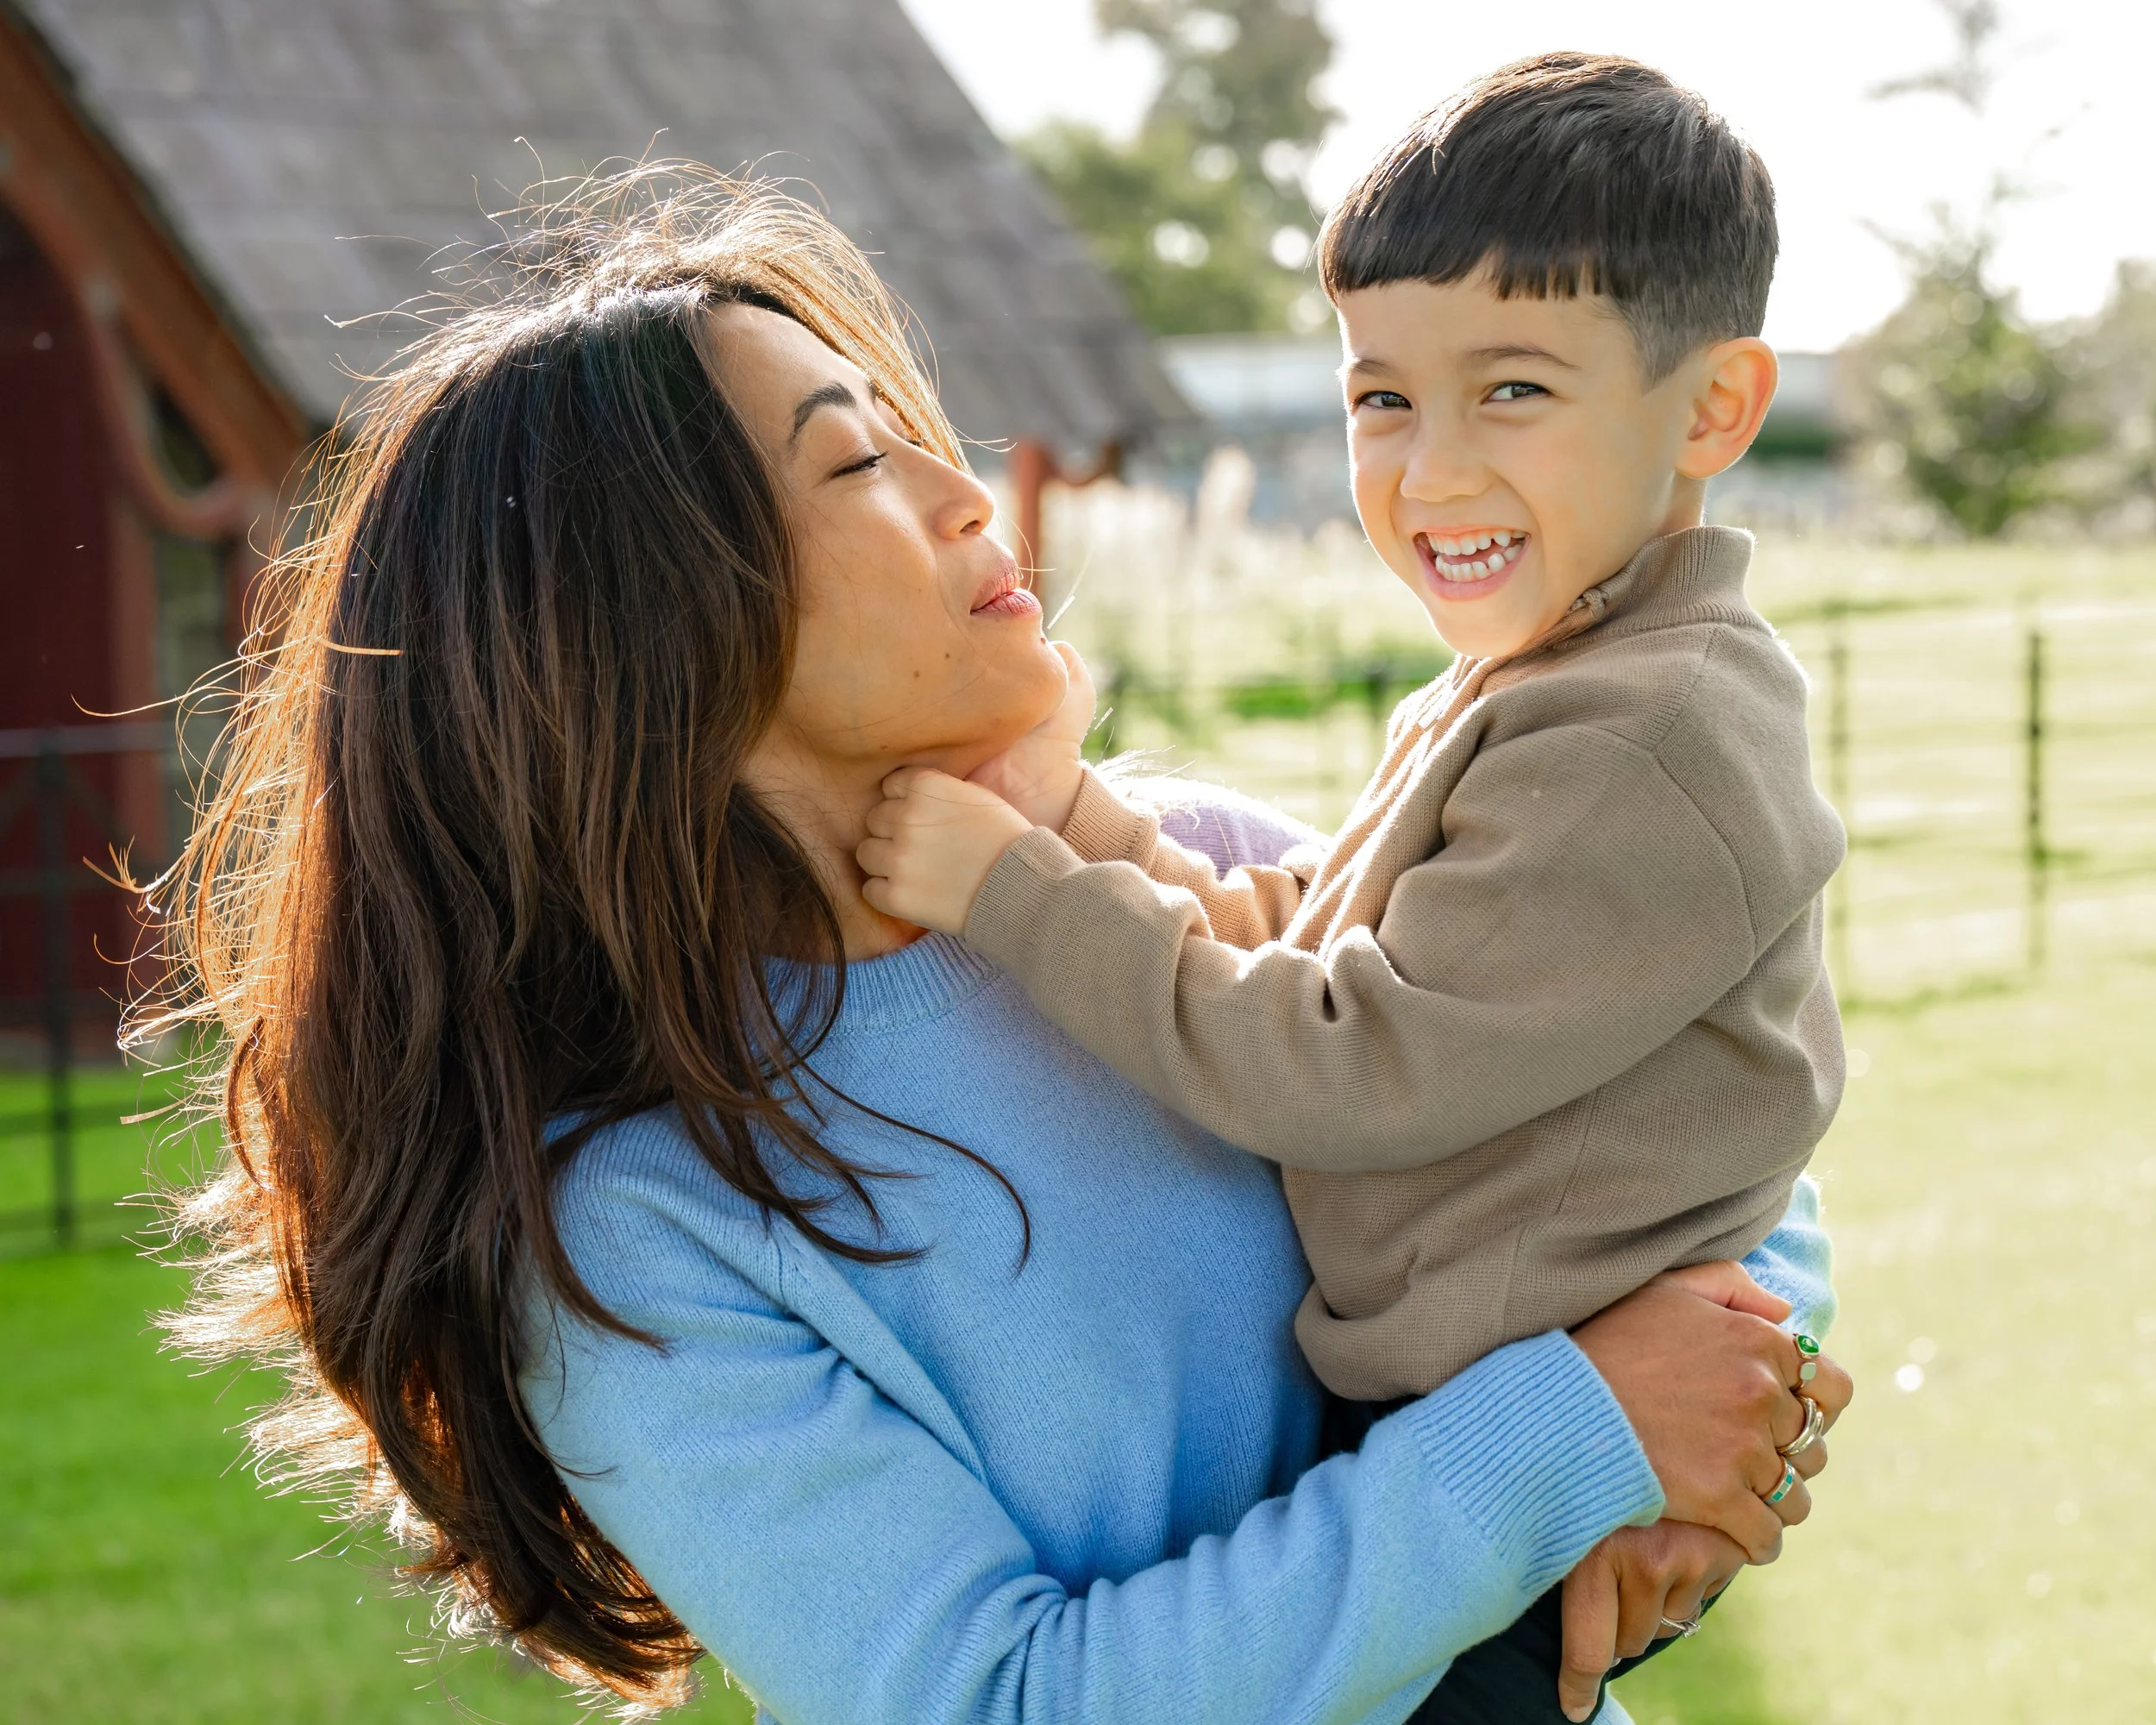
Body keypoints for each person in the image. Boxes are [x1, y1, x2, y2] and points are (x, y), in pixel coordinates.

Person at [145, 170, 1848, 1725]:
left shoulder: (1201, 873)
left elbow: (1670, 1120)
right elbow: (996, 1702)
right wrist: (1565, 1432)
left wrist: (1704, 1427)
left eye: (911, 430)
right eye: (851, 464)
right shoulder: (630, 1223)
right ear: (656, 632)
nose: (964, 494)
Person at [856, 53, 1845, 1723]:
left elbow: (1328, 1060)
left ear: (1711, 410)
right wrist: (1087, 819)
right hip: (1484, 1435)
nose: (1427, 470)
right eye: (1380, 397)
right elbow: (1311, 939)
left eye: (1510, 391)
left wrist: (1011, 889)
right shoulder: (1541, 682)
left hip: (1534, 1493)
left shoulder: (1639, 738)